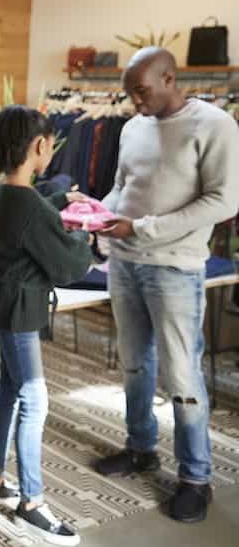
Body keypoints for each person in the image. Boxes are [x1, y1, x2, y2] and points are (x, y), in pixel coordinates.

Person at [95, 47, 239, 523]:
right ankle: (140, 448)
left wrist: (142, 227)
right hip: (124, 263)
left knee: (181, 374)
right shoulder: (133, 127)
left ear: (170, 78)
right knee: (135, 365)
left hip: (175, 268)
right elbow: (122, 186)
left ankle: (196, 478)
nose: (135, 102)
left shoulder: (215, 125)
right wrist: (96, 212)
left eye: (142, 91)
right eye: (129, 94)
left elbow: (223, 201)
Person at [0, 106, 92, 546]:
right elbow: (66, 265)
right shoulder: (27, 203)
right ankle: (32, 502)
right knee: (34, 399)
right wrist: (85, 235)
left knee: (10, 389)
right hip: (21, 306)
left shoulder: (1, 189)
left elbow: (33, 208)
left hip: (4, 299)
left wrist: (61, 202)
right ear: (41, 146)